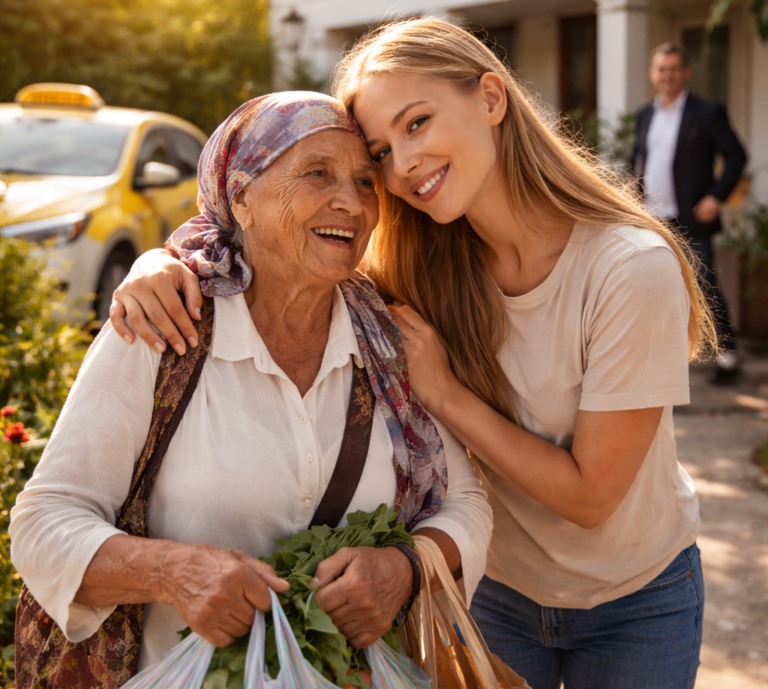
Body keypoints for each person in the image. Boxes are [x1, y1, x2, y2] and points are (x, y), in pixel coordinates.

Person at [109, 19, 715, 689]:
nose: (402, 165)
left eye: (417, 123)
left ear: (491, 97)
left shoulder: (629, 268)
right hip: (495, 592)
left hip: (634, 598)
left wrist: (448, 394)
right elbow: (269, 235)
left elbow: (591, 495)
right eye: (382, 151)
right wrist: (162, 262)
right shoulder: (416, 262)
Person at [10, 92, 492, 681]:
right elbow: (45, 521)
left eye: (366, 182)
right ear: (241, 196)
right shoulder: (166, 326)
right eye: (317, 173)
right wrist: (172, 572)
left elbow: (464, 504)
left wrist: (405, 568)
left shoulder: (390, 342)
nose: (352, 202)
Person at [632, 42, 747, 384]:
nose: (667, 75)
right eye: (661, 69)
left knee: (704, 284)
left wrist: (716, 196)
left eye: (673, 69)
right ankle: (665, 354)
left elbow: (736, 156)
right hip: (652, 218)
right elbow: (637, 159)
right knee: (653, 285)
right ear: (653, 75)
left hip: (693, 217)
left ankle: (727, 355)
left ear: (685, 72)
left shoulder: (706, 112)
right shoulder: (644, 115)